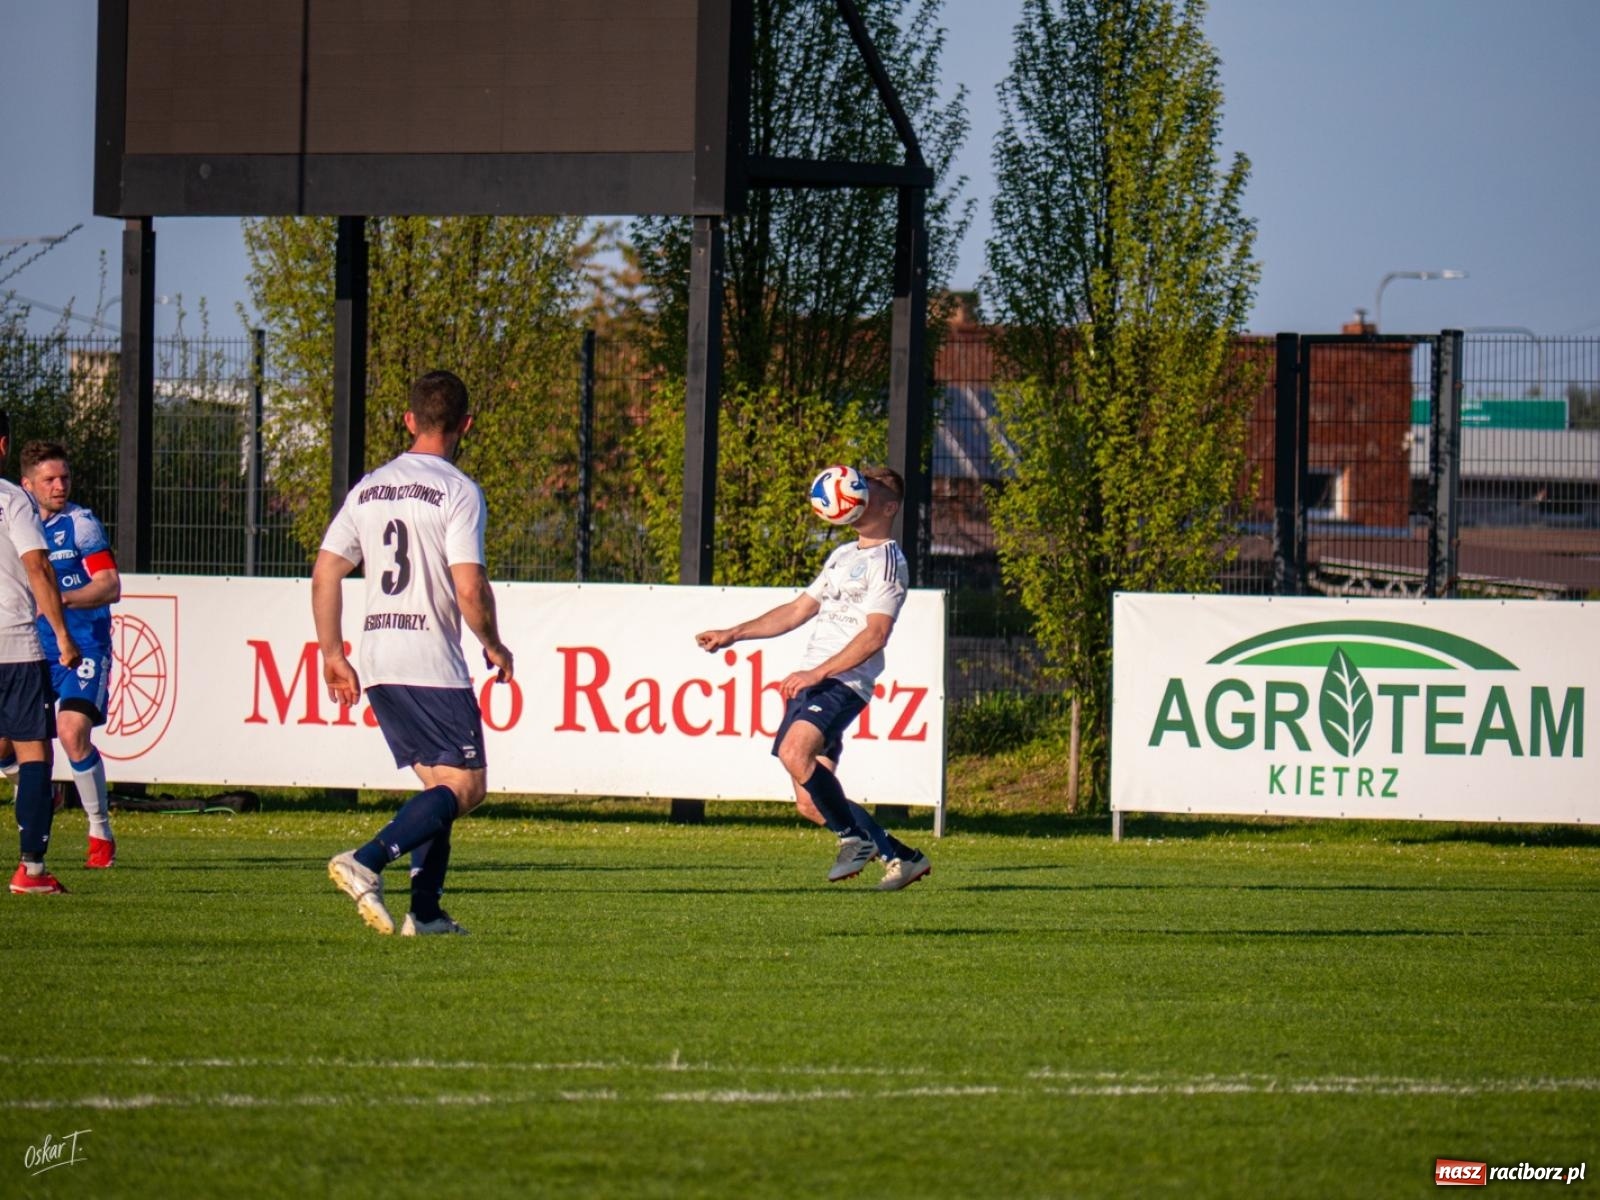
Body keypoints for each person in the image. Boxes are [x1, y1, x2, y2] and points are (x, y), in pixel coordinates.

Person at [314, 370, 513, 936]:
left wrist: (333, 652)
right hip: (428, 657)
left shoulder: (369, 487)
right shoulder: (457, 490)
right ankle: (367, 860)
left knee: (441, 788)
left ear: (409, 421)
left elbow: (327, 570)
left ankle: (424, 913)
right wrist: (493, 645)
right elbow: (469, 587)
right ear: (466, 425)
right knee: (466, 787)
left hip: (377, 655)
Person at [694, 465, 931, 891]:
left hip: (842, 682)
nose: (856, 491)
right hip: (817, 681)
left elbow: (876, 634)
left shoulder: (888, 562)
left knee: (792, 750)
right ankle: (902, 856)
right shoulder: (842, 556)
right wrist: (734, 633)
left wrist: (818, 671)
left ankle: (852, 839)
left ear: (889, 506)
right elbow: (798, 610)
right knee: (809, 801)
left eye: (869, 490)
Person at [0, 441, 121, 868]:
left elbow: (110, 584)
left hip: (82, 645)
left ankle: (98, 828)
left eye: (64, 477)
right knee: (5, 749)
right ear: (27, 484)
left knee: (71, 732)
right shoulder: (14, 518)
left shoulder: (81, 524)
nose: (59, 486)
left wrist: (61, 598)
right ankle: (38, 788)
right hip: (28, 650)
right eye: (49, 479)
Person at [0, 415, 82, 895]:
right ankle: (31, 871)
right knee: (34, 752)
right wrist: (62, 635)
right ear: (5, 445)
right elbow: (37, 566)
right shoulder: (14, 500)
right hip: (12, 640)